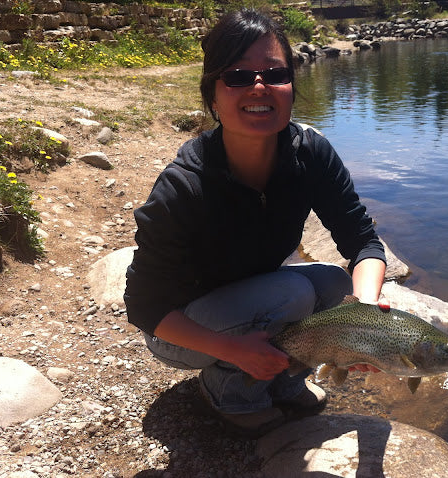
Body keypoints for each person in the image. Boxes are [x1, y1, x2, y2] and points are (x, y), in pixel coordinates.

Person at [124, 9, 387, 436]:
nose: (259, 86)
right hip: (179, 330)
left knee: (335, 286)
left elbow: (363, 242)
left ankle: (282, 377)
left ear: (291, 86)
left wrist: (366, 314)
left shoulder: (310, 154)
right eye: (239, 77)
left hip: (250, 297)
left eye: (275, 73)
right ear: (212, 96)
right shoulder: (184, 186)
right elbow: (143, 306)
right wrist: (232, 348)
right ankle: (230, 389)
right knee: (294, 290)